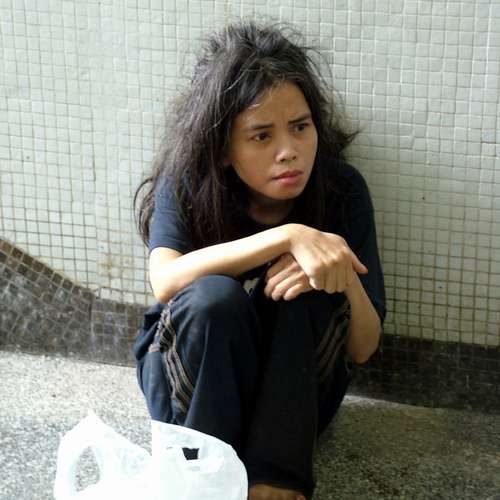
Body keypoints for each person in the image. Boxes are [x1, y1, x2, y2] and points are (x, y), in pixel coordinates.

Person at [133, 20, 386, 500]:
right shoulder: (187, 183)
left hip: (293, 405)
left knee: (307, 286)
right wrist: (288, 237)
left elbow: (363, 347)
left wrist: (339, 271)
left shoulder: (342, 189)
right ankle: (203, 475)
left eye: (300, 127)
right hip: (192, 394)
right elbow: (165, 280)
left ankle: (275, 479)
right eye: (261, 136)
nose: (288, 152)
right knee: (212, 297)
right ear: (223, 150)